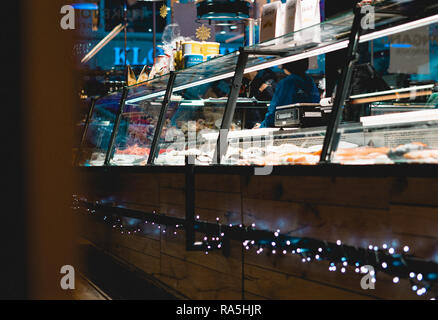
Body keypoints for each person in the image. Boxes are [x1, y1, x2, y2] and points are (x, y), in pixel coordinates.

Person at [256, 58, 320, 128]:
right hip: (309, 126)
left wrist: (262, 126)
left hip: (288, 127)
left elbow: (274, 110)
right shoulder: (310, 81)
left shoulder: (287, 83)